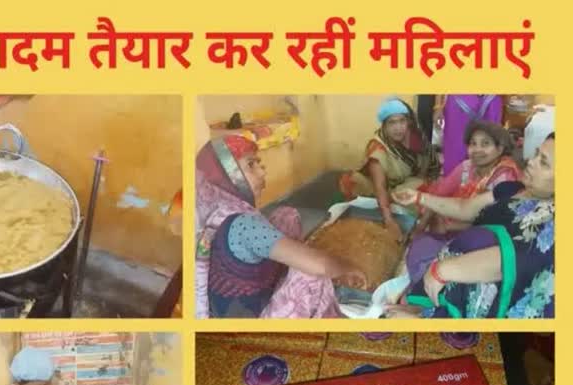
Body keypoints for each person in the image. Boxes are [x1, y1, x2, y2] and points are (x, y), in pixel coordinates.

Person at [196, 135, 367, 319]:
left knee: (286, 216)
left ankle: (288, 269)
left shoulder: (217, 207)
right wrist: (349, 267)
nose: (262, 172)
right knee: (310, 276)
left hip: (239, 303)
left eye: (259, 164)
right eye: (251, 165)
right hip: (251, 319)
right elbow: (322, 266)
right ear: (226, 174)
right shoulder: (243, 224)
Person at [388, 133, 554, 319]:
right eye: (537, 154)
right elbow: (466, 208)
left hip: (483, 305)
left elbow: (515, 260)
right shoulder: (513, 189)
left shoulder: (552, 220)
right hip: (453, 279)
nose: (531, 162)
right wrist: (419, 197)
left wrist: (441, 270)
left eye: (544, 163)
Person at [339, 98, 439, 241]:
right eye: (392, 122)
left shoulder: (413, 138)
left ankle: (403, 209)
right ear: (384, 126)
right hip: (375, 188)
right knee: (352, 184)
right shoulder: (377, 149)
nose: (398, 128)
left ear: (408, 122)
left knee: (427, 191)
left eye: (402, 121)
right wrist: (389, 221)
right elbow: (380, 187)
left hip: (400, 185)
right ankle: (385, 208)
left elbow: (428, 167)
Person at [415, 120, 522, 235]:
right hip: (452, 224)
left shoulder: (505, 177)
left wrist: (449, 227)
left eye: (485, 144)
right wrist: (420, 228)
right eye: (473, 143)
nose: (477, 150)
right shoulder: (467, 167)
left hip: (486, 235)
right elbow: (438, 195)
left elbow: (495, 221)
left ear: (500, 149)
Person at [434, 95, 504, 176]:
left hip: (490, 99)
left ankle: (481, 185)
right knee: (455, 154)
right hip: (460, 100)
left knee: (487, 152)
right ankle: (452, 184)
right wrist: (438, 106)